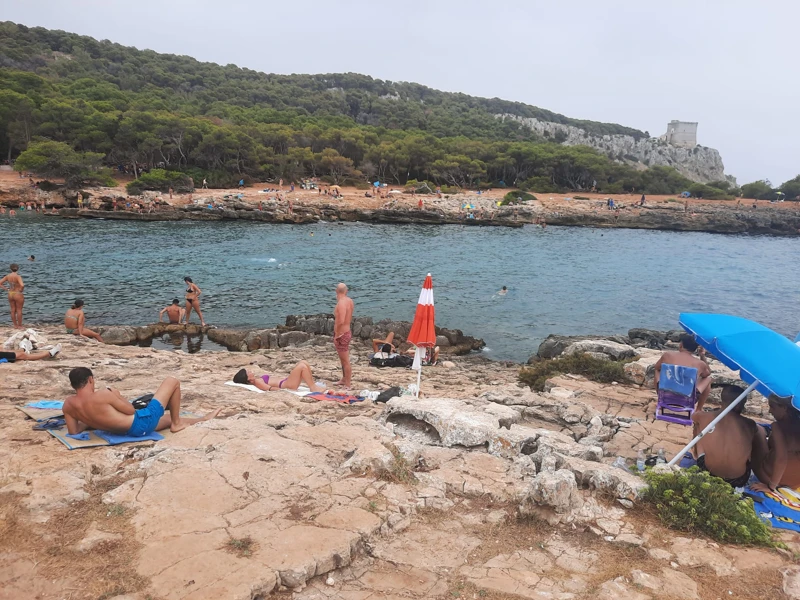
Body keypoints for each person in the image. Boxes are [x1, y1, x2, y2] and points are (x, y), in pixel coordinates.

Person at [63, 368, 221, 437]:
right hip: (141, 423)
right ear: (91, 380)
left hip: (124, 431)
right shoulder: (103, 395)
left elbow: (74, 432)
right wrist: (117, 396)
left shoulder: (68, 405)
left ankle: (203, 419)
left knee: (165, 418)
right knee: (172, 381)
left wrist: (87, 420)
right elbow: (130, 410)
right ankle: (177, 424)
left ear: (73, 385)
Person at [691, 384, 761, 488]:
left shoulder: (704, 417)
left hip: (708, 472)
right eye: (743, 404)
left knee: (699, 426)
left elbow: (694, 416)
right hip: (738, 479)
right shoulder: (750, 424)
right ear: (738, 405)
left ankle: (697, 455)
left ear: (722, 400)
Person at [750, 395, 800, 492]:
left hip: (773, 480)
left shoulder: (778, 427)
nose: (770, 411)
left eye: (772, 406)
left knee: (759, 431)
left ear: (784, 408)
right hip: (795, 484)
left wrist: (771, 487)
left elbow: (782, 458)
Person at [653, 334, 712, 410]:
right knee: (708, 379)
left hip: (667, 395)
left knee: (657, 370)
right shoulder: (700, 364)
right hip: (687, 400)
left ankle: (660, 399)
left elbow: (656, 367)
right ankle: (698, 409)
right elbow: (707, 373)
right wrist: (702, 356)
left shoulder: (667, 355)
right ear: (695, 349)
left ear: (681, 345)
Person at [232, 361, 334, 393]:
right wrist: (287, 391)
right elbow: (269, 388)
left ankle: (312, 385)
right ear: (248, 379)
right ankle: (313, 388)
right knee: (302, 366)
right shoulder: (257, 383)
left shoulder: (256, 379)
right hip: (287, 385)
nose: (250, 370)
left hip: (286, 382)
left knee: (304, 363)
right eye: (248, 372)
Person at [333, 282, 354, 388]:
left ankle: (348, 384)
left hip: (342, 334)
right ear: (346, 291)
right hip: (347, 331)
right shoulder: (349, 301)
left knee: (345, 360)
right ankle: (344, 379)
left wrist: (337, 334)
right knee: (343, 359)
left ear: (336, 291)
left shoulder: (341, 303)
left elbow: (341, 321)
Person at [0, 264, 25, 328]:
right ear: (18, 269)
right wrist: (21, 290)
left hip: (10, 293)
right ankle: (20, 325)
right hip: (17, 293)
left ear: (10, 269)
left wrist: (6, 289)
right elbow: (22, 285)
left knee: (12, 309)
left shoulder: (8, 276)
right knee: (19, 310)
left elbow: (0, 283)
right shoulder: (18, 276)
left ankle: (15, 325)